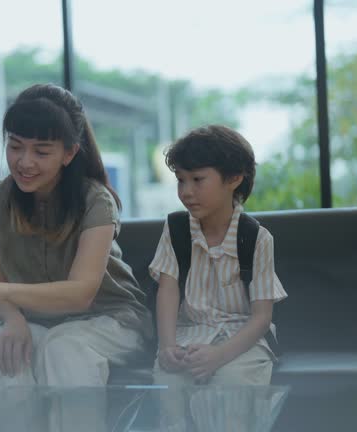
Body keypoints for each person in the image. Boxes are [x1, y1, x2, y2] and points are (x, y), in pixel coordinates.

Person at [0, 84, 152, 399]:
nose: (25, 162)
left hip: (110, 320)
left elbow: (80, 295)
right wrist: (11, 320)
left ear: (69, 153)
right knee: (7, 359)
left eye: (41, 151)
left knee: (64, 348)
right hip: (36, 321)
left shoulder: (96, 200)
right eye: (15, 146)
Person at [149, 125, 287, 428]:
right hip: (189, 336)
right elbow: (168, 291)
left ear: (234, 179)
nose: (186, 191)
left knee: (233, 384)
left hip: (241, 342)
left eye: (197, 180)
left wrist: (220, 355)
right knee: (169, 386)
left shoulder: (257, 238)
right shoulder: (175, 230)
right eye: (180, 180)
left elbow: (261, 318)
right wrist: (167, 347)